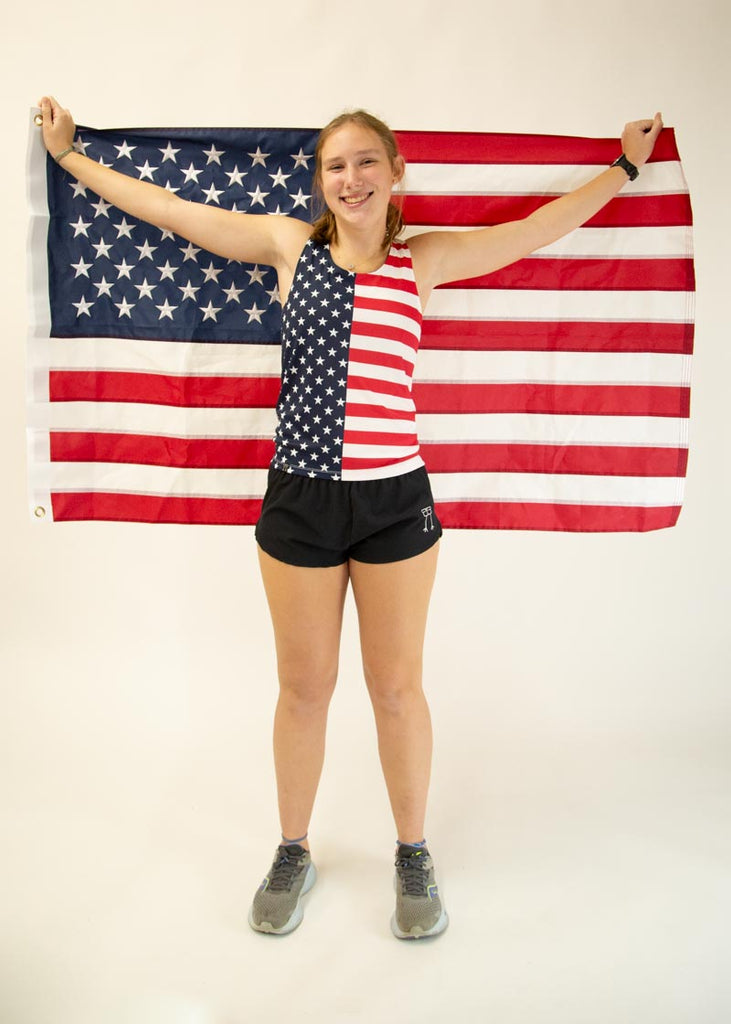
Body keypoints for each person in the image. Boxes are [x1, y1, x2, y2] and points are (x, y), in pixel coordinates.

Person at [37, 95, 663, 940]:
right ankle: (292, 849)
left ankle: (413, 851)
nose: (350, 177)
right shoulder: (288, 246)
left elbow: (532, 230)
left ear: (395, 172)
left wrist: (622, 167)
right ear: (320, 181)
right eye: (335, 165)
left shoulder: (423, 261)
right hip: (300, 499)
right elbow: (173, 211)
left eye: (366, 160)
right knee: (304, 689)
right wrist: (71, 158)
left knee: (396, 689)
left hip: (393, 501)